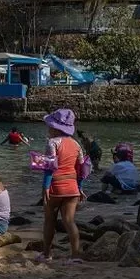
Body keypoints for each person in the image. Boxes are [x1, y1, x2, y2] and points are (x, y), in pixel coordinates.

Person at [38, 109, 87, 264]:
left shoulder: (52, 143)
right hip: (72, 188)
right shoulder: (76, 144)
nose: (48, 129)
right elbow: (82, 169)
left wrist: (45, 187)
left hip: (55, 187)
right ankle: (75, 256)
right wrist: (79, 187)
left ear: (54, 128)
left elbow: (49, 167)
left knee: (49, 220)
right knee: (69, 221)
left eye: (49, 126)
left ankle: (46, 254)